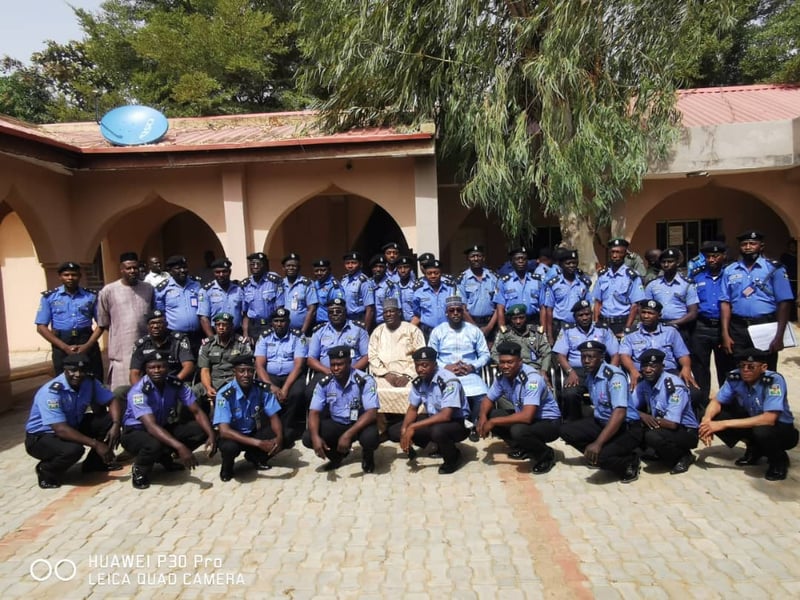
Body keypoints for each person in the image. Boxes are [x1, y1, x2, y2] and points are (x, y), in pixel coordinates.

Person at [25, 354, 122, 488]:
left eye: (82, 371)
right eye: (73, 370)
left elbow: (112, 400)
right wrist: (96, 444)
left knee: (108, 420)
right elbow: (60, 429)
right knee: (74, 450)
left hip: (72, 426)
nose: (78, 374)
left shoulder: (89, 382)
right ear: (65, 370)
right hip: (42, 437)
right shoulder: (51, 392)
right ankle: (46, 470)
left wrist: (116, 425)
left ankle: (95, 463)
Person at [699, 349, 798, 481]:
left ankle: (778, 461)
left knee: (761, 431)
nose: (745, 370)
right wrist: (707, 421)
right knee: (709, 412)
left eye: (751, 367)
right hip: (753, 421)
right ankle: (754, 448)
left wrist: (721, 424)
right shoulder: (735, 377)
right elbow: (717, 401)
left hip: (781, 429)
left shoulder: (773, 381)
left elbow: (769, 419)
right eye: (742, 366)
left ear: (763, 367)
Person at [121, 353, 215, 489]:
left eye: (161, 367)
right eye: (152, 368)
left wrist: (211, 435)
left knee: (200, 430)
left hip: (161, 427)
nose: (157, 370)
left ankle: (165, 457)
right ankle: (140, 469)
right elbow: (151, 427)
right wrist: (180, 447)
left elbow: (197, 411)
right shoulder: (139, 391)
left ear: (168, 368)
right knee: (154, 444)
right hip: (136, 432)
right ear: (145, 370)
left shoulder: (174, 384)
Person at [560, 341, 644, 483]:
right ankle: (599, 453)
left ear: (601, 357)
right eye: (583, 357)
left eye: (591, 357)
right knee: (565, 430)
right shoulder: (591, 375)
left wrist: (598, 443)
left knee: (602, 456)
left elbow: (619, 413)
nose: (586, 361)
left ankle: (629, 461)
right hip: (602, 423)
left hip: (626, 427)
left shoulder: (613, 376)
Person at [477, 342, 561, 474]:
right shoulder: (502, 377)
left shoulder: (532, 380)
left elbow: (527, 417)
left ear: (520, 362)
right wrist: (483, 418)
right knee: (491, 413)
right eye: (502, 362)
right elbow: (488, 399)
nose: (505, 366)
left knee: (518, 430)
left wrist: (492, 423)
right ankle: (524, 447)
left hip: (549, 422)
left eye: (510, 362)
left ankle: (546, 456)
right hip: (526, 417)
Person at [720, 231, 794, 371]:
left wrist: (780, 335)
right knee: (739, 369)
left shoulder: (774, 268)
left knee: (765, 369)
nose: (748, 247)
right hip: (738, 327)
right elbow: (725, 303)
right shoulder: (729, 270)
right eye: (744, 244)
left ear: (761, 246)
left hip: (765, 325)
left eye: (752, 243)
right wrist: (725, 333)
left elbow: (784, 303)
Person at [388, 347, 470, 474]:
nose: (420, 369)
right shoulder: (419, 381)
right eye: (417, 365)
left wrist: (413, 427)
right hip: (435, 419)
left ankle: (453, 458)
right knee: (395, 431)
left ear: (435, 364)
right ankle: (436, 446)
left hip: (457, 422)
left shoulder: (448, 381)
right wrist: (405, 430)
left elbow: (446, 416)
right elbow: (413, 408)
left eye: (425, 365)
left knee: (437, 431)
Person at [302, 346, 381, 473]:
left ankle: (367, 455)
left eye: (340, 364)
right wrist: (316, 437)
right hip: (338, 422)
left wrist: (348, 434)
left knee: (370, 438)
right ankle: (336, 457)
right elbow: (314, 412)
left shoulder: (364, 381)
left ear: (349, 363)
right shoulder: (324, 383)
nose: (335, 368)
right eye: (332, 364)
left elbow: (371, 413)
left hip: (359, 424)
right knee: (308, 437)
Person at [428, 296, 490, 441]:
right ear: (446, 313)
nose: (455, 313)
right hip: (445, 374)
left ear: (463, 312)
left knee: (482, 395)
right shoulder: (438, 331)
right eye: (452, 310)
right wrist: (445, 367)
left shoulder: (474, 331)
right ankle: (459, 425)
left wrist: (472, 366)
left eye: (459, 310)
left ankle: (475, 425)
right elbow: (431, 356)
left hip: (469, 373)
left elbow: (485, 354)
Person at [213, 354, 284, 481]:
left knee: (286, 434)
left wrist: (278, 438)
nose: (246, 374)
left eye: (250, 371)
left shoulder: (262, 389)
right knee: (229, 447)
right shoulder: (224, 394)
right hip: (234, 436)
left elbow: (274, 416)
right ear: (234, 372)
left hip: (253, 432)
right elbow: (224, 431)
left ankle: (256, 458)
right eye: (241, 371)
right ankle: (227, 467)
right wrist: (259, 443)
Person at [634, 349, 698, 475]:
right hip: (662, 425)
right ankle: (660, 454)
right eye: (644, 366)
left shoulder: (674, 386)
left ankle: (683, 456)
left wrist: (646, 419)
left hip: (685, 431)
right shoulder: (645, 383)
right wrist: (642, 415)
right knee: (630, 423)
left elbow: (672, 424)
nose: (647, 370)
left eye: (652, 366)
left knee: (652, 436)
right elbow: (628, 407)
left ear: (662, 367)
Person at [35, 261, 104, 378]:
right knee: (63, 379)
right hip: (61, 341)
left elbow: (101, 323)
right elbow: (41, 327)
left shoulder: (91, 296)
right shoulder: (49, 297)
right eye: (66, 275)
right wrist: (64, 347)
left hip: (86, 338)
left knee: (93, 377)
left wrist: (87, 345)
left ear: (80, 276)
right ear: (60, 277)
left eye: (74, 275)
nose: (70, 278)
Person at [553, 300, 619, 421]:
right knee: (570, 393)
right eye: (580, 315)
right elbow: (560, 355)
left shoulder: (603, 329)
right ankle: (573, 423)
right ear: (575, 317)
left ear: (592, 314)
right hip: (577, 371)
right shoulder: (567, 330)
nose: (585, 318)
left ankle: (608, 421)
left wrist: (611, 372)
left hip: (600, 371)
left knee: (611, 391)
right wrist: (570, 372)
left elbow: (615, 354)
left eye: (587, 314)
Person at [97, 251, 154, 389]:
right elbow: (103, 322)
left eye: (135, 267)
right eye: (128, 268)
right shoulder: (108, 291)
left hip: (146, 346)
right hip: (122, 350)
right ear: (121, 269)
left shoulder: (148, 288)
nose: (132, 271)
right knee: (122, 392)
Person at [619, 299, 697, 394]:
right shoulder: (631, 333)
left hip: (668, 371)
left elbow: (682, 354)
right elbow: (624, 355)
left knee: (694, 394)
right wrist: (632, 370)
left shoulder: (671, 332)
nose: (646, 316)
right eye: (643, 312)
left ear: (659, 316)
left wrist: (686, 368)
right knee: (629, 399)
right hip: (642, 373)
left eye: (650, 313)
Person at [254, 308, 308, 441]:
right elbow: (259, 365)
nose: (279, 324)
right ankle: (270, 430)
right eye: (276, 321)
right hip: (270, 376)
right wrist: (270, 386)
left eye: (282, 321)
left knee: (296, 393)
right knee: (266, 393)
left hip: (292, 376)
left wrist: (285, 389)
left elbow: (298, 365)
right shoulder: (264, 337)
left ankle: (286, 428)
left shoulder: (298, 336)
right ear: (271, 323)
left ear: (288, 322)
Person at [368, 298, 426, 415]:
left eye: (391, 311)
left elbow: (421, 357)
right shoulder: (377, 331)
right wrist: (386, 374)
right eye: (385, 312)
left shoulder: (412, 330)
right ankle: (383, 430)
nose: (388, 314)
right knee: (375, 392)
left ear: (399, 312)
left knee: (414, 392)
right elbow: (372, 357)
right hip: (384, 375)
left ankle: (411, 426)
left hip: (410, 375)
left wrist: (407, 375)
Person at [688, 241, 728, 406]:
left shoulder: (730, 275)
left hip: (723, 327)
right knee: (700, 368)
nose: (711, 259)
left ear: (723, 256)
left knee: (725, 367)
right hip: (701, 326)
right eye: (708, 256)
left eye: (715, 256)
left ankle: (725, 404)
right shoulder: (696, 276)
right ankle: (702, 404)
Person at [307, 297, 370, 393]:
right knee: (309, 392)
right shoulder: (319, 331)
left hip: (352, 372)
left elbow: (367, 356)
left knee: (364, 392)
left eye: (338, 311)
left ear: (345, 312)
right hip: (326, 372)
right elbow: (311, 359)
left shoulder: (358, 329)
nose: (335, 314)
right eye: (331, 312)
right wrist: (327, 371)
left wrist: (351, 370)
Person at [195, 312, 253, 415]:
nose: (221, 327)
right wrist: (208, 388)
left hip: (234, 382)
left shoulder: (241, 343)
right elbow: (205, 369)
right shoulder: (207, 344)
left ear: (231, 326)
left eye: (225, 325)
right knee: (191, 393)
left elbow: (247, 369)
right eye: (218, 325)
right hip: (213, 381)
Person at [644, 247, 698, 346]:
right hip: (658, 327)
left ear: (677, 263)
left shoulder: (687, 284)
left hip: (681, 327)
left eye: (670, 261)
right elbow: (645, 309)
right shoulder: (652, 284)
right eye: (663, 262)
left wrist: (673, 323)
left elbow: (693, 312)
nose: (666, 265)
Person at [592, 238, 646, 335]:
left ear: (625, 254)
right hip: (603, 322)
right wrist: (596, 323)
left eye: (618, 252)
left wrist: (627, 328)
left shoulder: (632, 276)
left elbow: (635, 306)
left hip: (621, 323)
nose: (615, 255)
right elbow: (598, 302)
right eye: (612, 252)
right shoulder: (603, 275)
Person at [542, 248, 592, 345]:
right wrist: (549, 334)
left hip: (579, 326)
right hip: (559, 326)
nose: (572, 266)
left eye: (574, 263)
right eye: (568, 263)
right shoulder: (554, 284)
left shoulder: (583, 283)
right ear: (561, 265)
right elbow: (549, 310)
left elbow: (589, 306)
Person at [154, 255, 203, 354]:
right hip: (175, 336)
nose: (182, 270)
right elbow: (161, 313)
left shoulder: (196, 284)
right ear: (170, 271)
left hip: (196, 336)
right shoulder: (162, 289)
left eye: (184, 267)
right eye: (178, 268)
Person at [491, 304, 552, 376]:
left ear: (526, 317)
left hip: (534, 370)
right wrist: (504, 365)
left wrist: (544, 371)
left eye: (521, 318)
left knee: (538, 385)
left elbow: (546, 353)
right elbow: (494, 352)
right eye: (514, 318)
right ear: (510, 319)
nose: (518, 321)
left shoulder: (536, 332)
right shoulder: (504, 334)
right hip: (512, 371)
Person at [493, 247, 544, 331]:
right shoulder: (504, 282)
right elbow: (500, 308)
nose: (521, 261)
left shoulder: (537, 280)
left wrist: (543, 328)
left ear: (527, 261)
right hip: (512, 325)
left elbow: (543, 307)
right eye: (517, 259)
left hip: (533, 324)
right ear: (512, 262)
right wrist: (502, 328)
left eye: (524, 259)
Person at [456, 245, 499, 338]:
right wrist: (475, 328)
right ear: (468, 259)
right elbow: (462, 308)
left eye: (479, 256)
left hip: (491, 325)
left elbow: (499, 306)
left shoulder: (493, 277)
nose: (476, 259)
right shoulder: (462, 279)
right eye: (472, 256)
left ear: (483, 258)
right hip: (469, 324)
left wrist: (489, 327)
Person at [411, 259, 460, 340]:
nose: (433, 276)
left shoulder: (451, 289)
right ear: (425, 274)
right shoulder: (418, 292)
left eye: (436, 273)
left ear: (441, 273)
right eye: (429, 273)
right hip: (427, 333)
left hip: (449, 331)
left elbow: (458, 310)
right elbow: (417, 315)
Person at [242, 252, 285, 342]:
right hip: (253, 327)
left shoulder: (274, 281)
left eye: (259, 264)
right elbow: (245, 314)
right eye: (253, 264)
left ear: (264, 265)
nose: (256, 266)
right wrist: (245, 333)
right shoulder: (246, 285)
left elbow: (280, 307)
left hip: (270, 325)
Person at [197, 257, 245, 338]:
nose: (221, 275)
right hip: (216, 334)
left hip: (236, 334)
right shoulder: (206, 291)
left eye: (224, 271)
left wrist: (245, 333)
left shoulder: (239, 289)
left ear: (229, 272)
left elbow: (245, 314)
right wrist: (212, 339)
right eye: (217, 272)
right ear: (213, 273)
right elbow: (203, 317)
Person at [281, 253, 318, 336]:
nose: (291, 268)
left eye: (294, 266)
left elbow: (311, 310)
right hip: (284, 331)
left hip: (303, 330)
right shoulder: (280, 284)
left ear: (299, 268)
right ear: (283, 268)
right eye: (288, 265)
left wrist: (302, 332)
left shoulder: (307, 284)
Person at [341, 251, 375, 329]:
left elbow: (370, 309)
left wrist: (365, 330)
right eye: (347, 263)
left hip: (359, 320)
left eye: (353, 263)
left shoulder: (364, 282)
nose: (350, 266)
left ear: (360, 264)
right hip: (345, 320)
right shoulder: (344, 280)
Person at [368, 254, 400, 327]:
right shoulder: (368, 283)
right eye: (375, 267)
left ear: (386, 268)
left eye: (381, 267)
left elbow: (395, 310)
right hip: (369, 322)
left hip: (385, 323)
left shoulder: (391, 286)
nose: (378, 269)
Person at [311, 258, 344, 326]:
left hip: (329, 323)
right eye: (316, 271)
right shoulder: (315, 284)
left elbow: (338, 307)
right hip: (315, 323)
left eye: (323, 270)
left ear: (329, 270)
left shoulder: (334, 286)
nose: (319, 273)